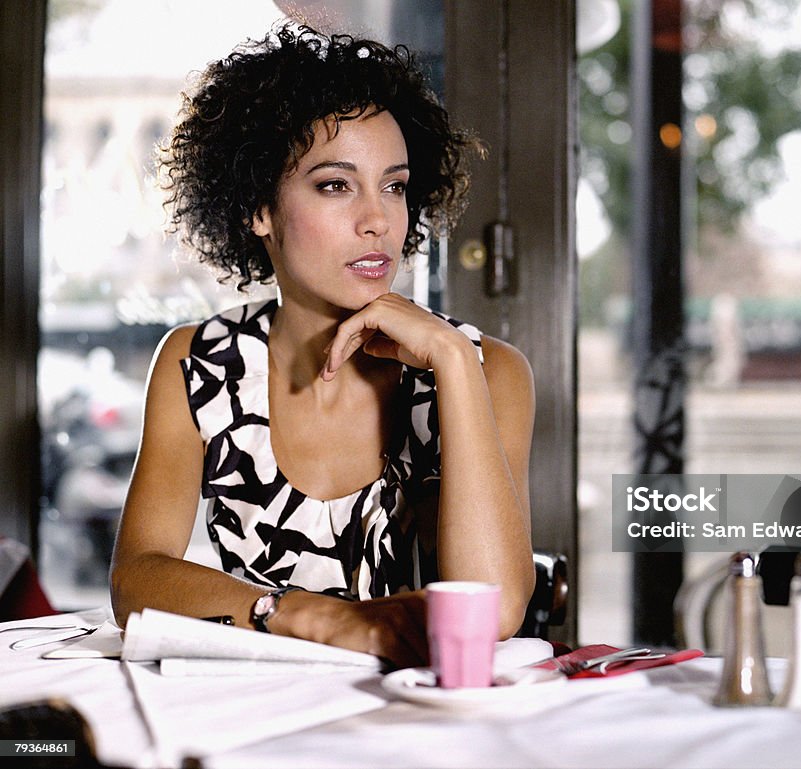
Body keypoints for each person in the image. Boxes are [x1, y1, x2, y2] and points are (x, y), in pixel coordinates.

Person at [109, 22, 536, 669]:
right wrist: (316, 615)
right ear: (259, 209)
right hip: (250, 715)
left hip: (419, 723)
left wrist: (451, 363)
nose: (379, 218)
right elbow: (136, 582)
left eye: (395, 184)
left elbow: (496, 610)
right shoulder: (200, 365)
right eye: (337, 184)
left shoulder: (487, 369)